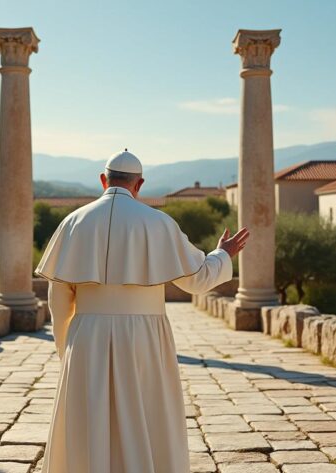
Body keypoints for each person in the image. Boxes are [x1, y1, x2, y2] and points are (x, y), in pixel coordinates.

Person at [35, 149, 249, 473]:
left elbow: (59, 299)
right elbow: (198, 279)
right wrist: (222, 254)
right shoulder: (159, 223)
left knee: (89, 420)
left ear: (103, 180)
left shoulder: (72, 223)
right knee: (148, 416)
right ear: (140, 184)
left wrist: (68, 348)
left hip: (87, 336)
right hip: (146, 338)